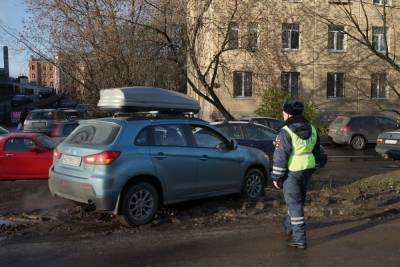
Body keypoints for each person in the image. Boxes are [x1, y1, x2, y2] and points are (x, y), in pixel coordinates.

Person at [271, 99, 325, 249]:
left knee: (294, 205)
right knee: (297, 200)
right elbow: (317, 152)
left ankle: (299, 239)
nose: (283, 115)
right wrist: (316, 165)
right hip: (307, 169)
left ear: (288, 114)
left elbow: (280, 157)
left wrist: (276, 177)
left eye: (283, 112)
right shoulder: (312, 129)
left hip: (293, 171)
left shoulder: (286, 131)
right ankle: (289, 225)